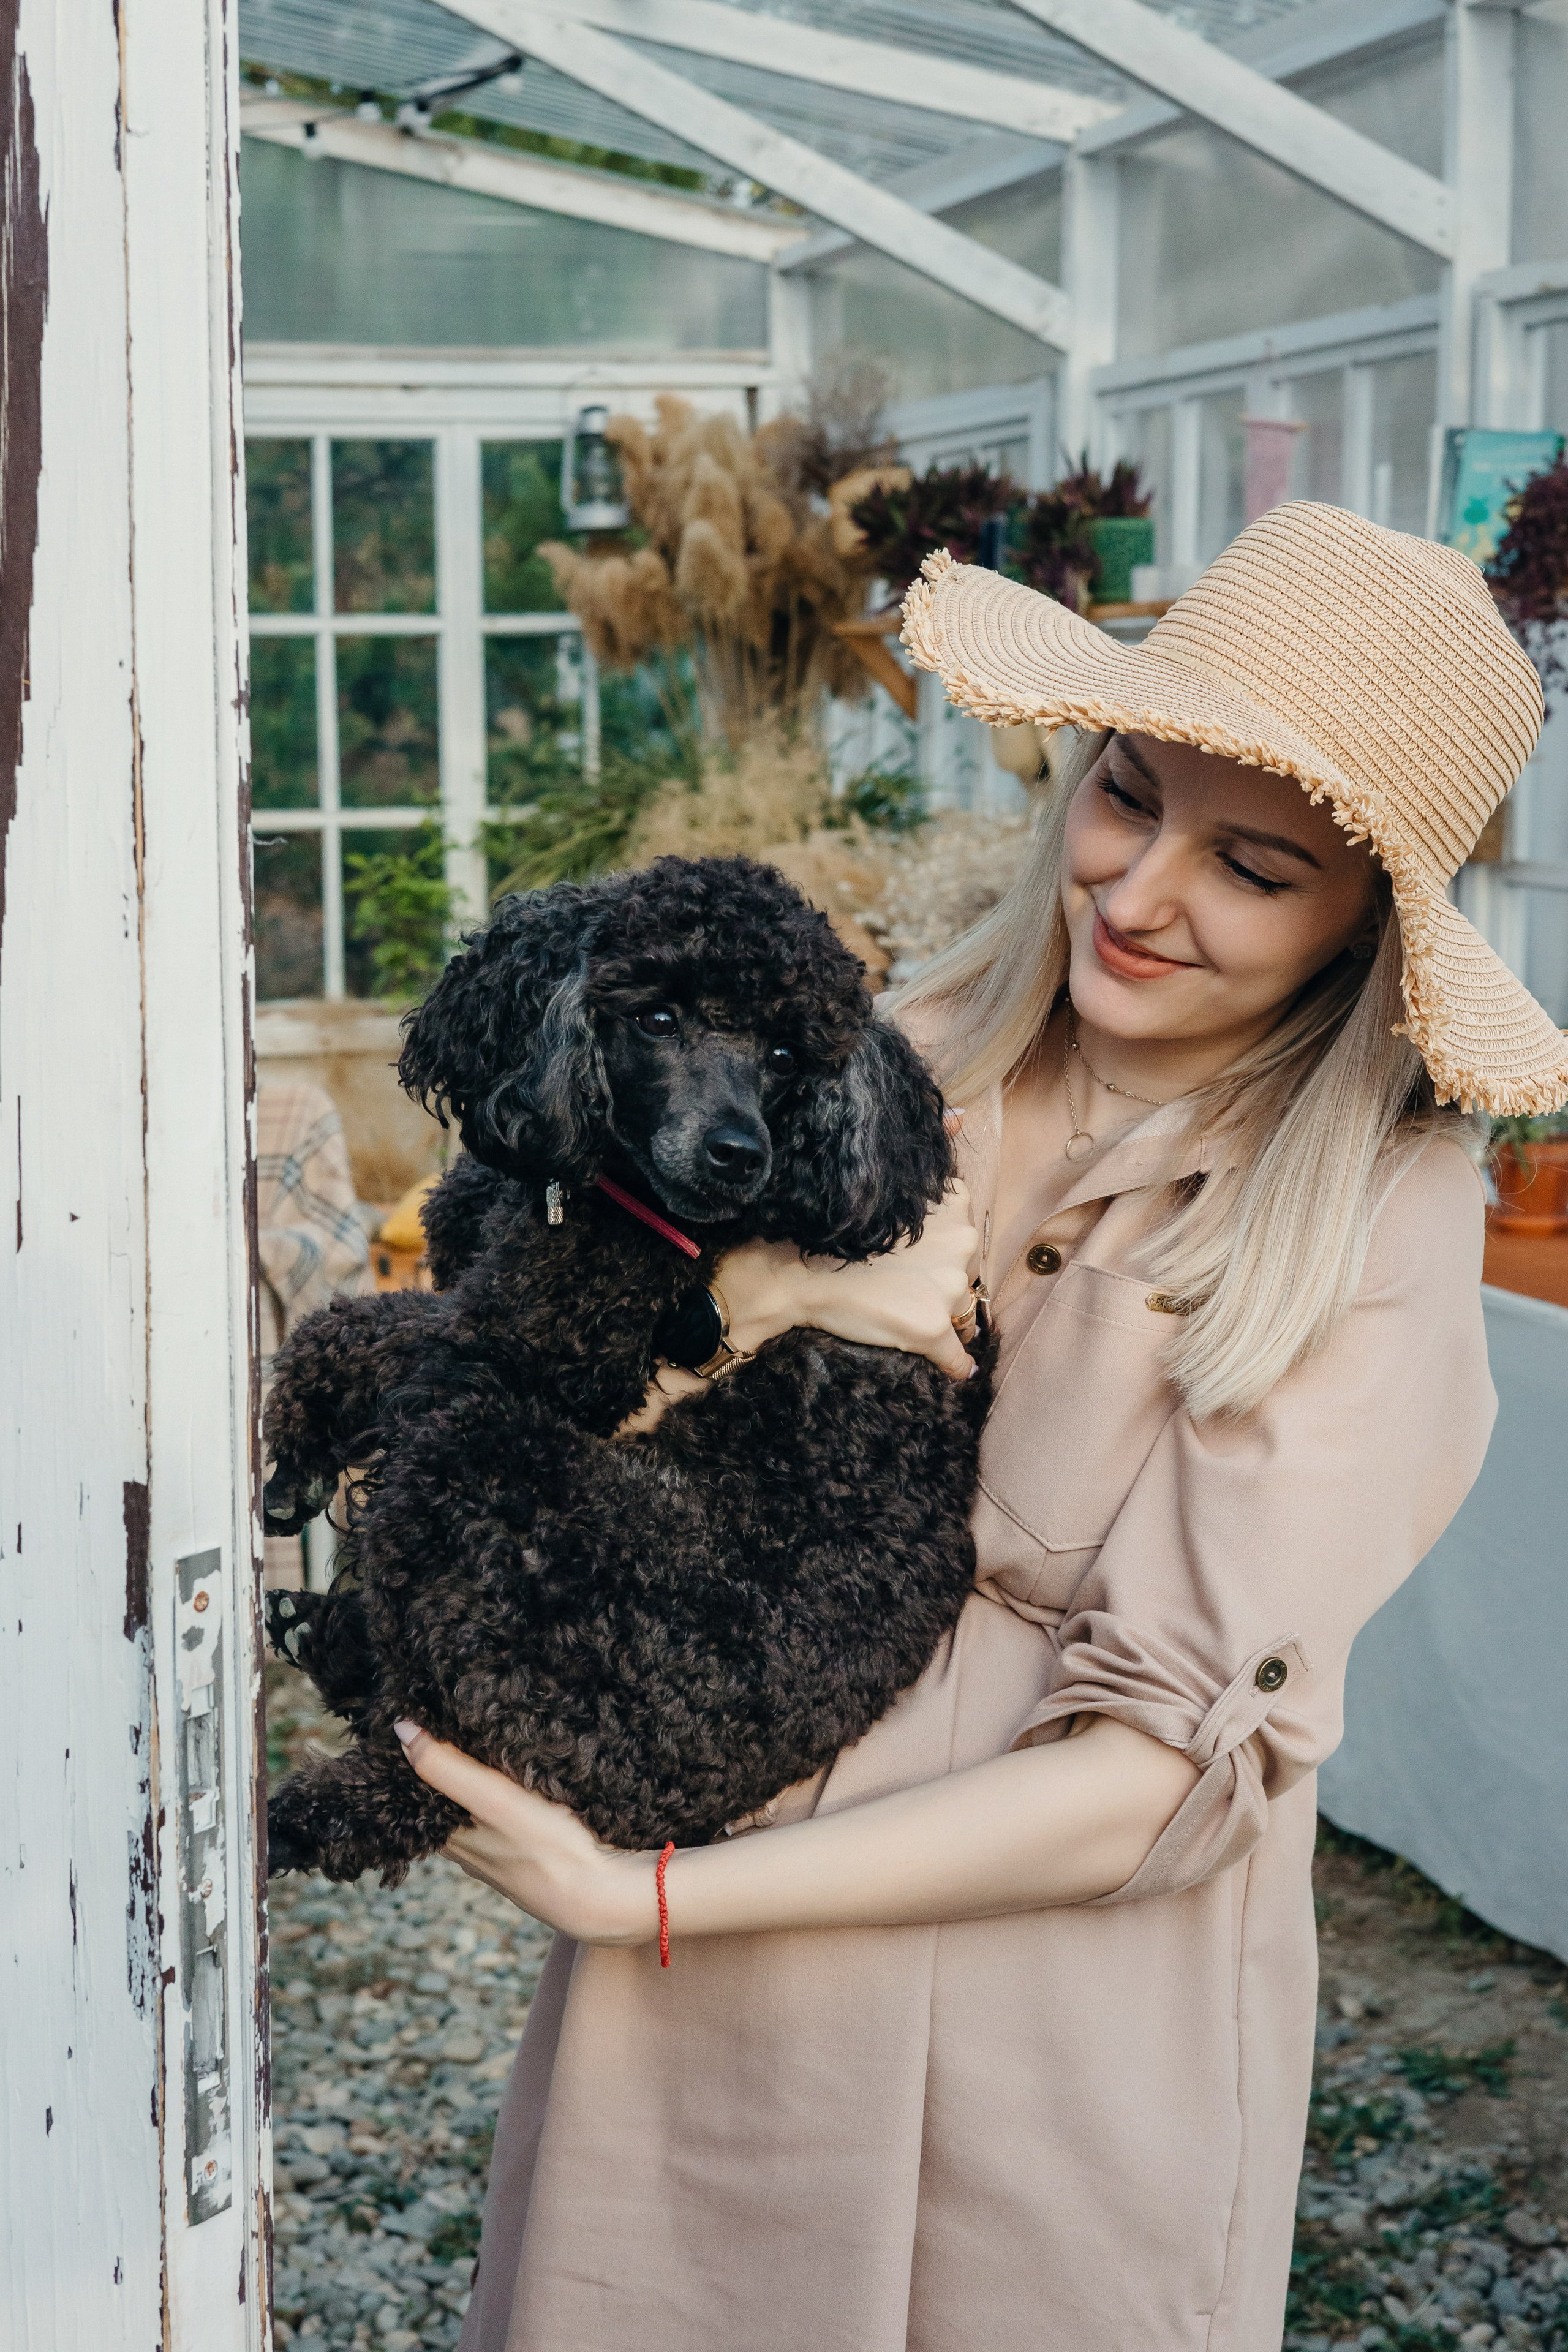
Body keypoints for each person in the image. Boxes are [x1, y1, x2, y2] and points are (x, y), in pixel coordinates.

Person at [395, 503, 1568, 2352]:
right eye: (1126, 795)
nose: (1139, 893)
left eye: (1252, 866)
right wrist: (777, 1306)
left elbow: (1154, 1772)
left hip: (1036, 2020)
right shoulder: (890, 1050)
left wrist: (647, 1900)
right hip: (714, 1964)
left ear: (1369, 928)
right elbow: (528, 1387)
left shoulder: (1370, 1218)